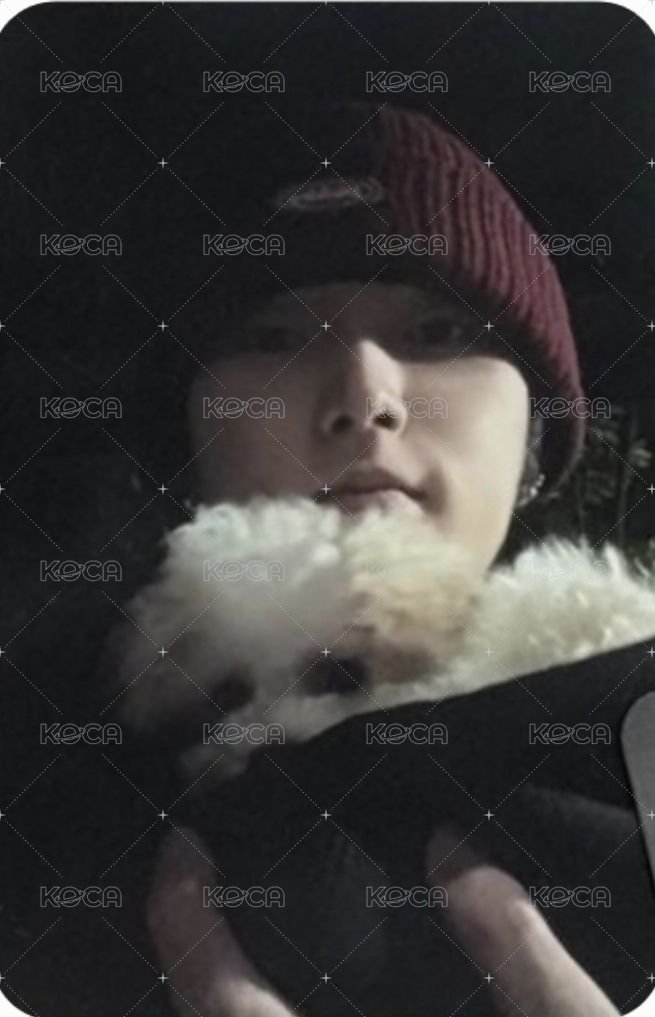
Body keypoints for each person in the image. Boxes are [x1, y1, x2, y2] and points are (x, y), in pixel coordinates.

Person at [131, 103, 653, 1016]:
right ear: (188, 440)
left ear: (534, 446)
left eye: (441, 332)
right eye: (273, 335)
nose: (366, 396)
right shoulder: (58, 806)